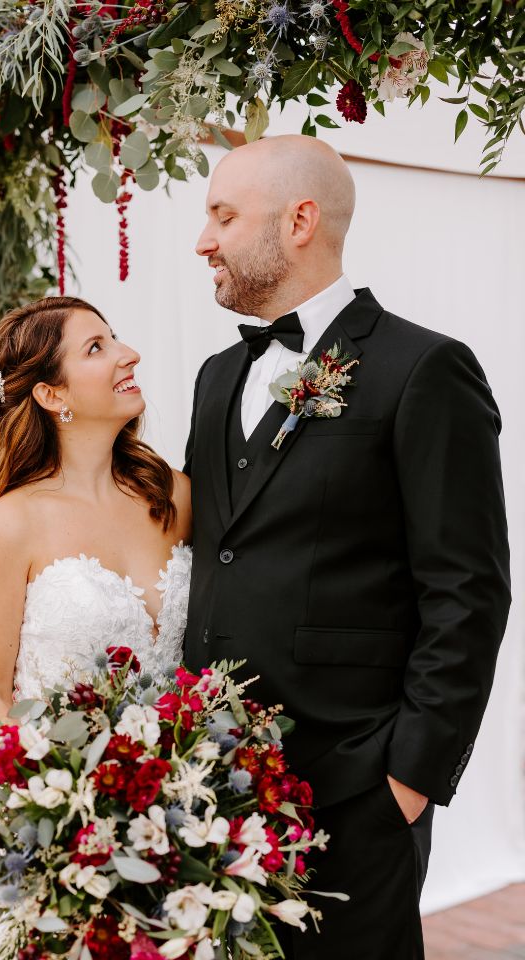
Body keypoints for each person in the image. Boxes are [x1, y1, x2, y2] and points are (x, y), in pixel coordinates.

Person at [183, 135, 510, 959]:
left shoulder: (423, 369)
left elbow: (468, 587)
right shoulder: (217, 376)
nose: (203, 241)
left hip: (356, 787)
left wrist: (406, 778)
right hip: (209, 783)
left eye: (223, 216)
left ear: (300, 220)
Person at [0, 296, 192, 726]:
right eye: (96, 347)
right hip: (65, 784)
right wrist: (61, 788)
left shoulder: (174, 495)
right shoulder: (10, 526)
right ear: (50, 393)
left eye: (114, 338)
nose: (130, 355)